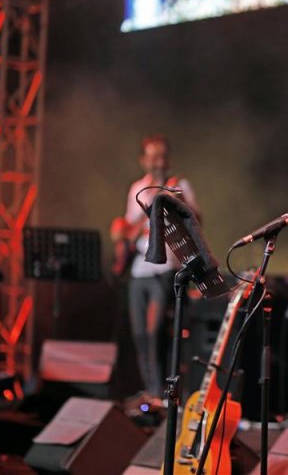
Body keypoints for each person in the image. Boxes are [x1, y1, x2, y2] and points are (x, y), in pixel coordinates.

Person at [112, 134, 200, 398]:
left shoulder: (179, 185)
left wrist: (175, 200)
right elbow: (127, 230)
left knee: (155, 332)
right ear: (144, 161)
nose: (158, 162)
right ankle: (150, 391)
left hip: (165, 268)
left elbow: (197, 222)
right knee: (139, 333)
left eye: (161, 156)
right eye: (152, 157)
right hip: (140, 269)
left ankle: (163, 393)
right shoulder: (137, 188)